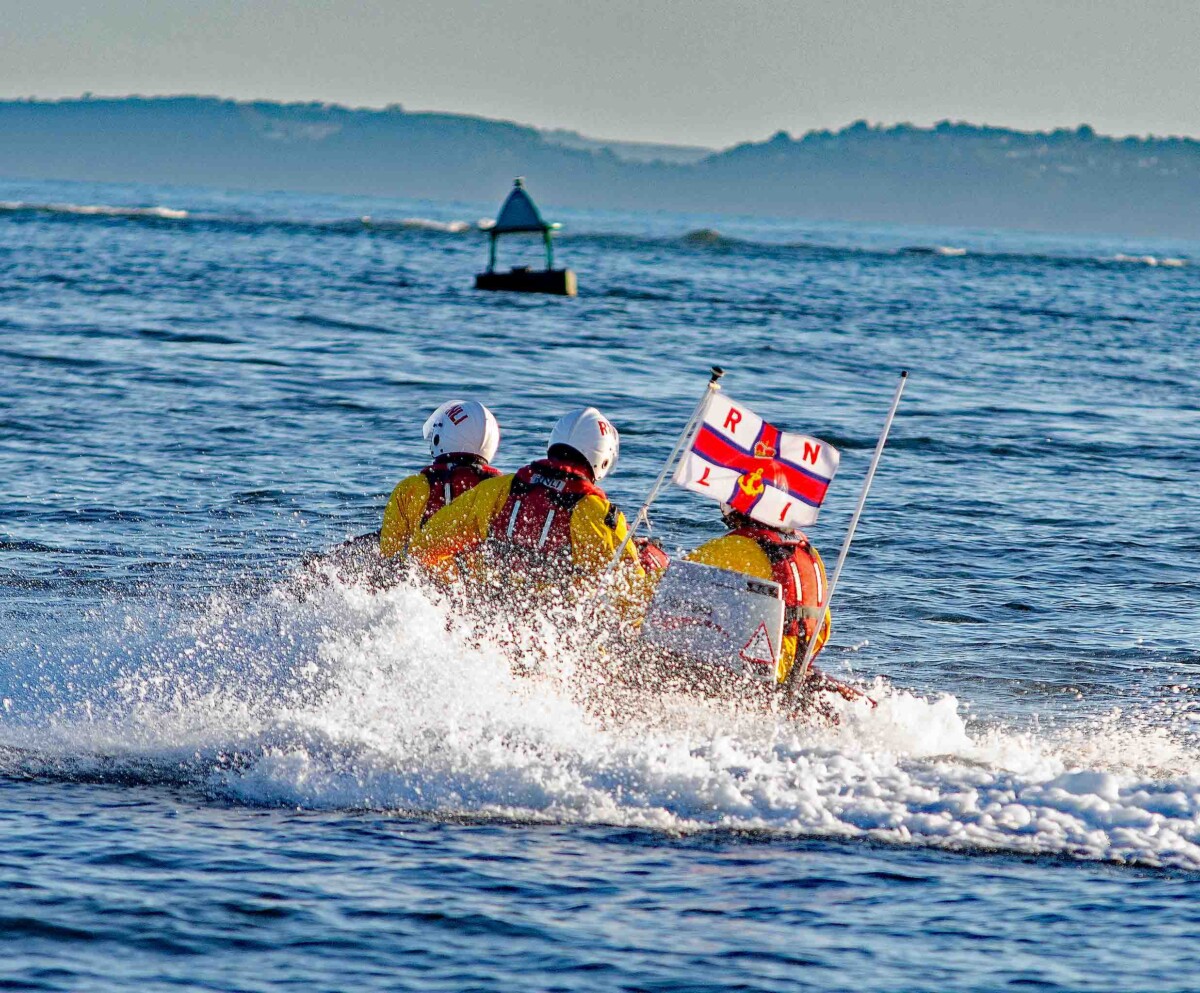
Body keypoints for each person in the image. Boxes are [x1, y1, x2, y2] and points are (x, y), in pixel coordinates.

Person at [410, 406, 641, 591]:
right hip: (553, 633)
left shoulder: (499, 488)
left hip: (485, 618)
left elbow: (424, 548)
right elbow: (633, 590)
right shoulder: (596, 512)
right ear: (603, 460)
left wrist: (456, 592)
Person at [686, 502, 832, 687]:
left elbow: (670, 583)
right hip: (796, 662)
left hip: (755, 671)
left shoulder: (733, 547)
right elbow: (823, 620)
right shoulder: (807, 551)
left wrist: (644, 560)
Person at [379, 400, 501, 559]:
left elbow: (388, 553)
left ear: (440, 437)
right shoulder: (503, 489)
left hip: (423, 577)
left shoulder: (412, 487)